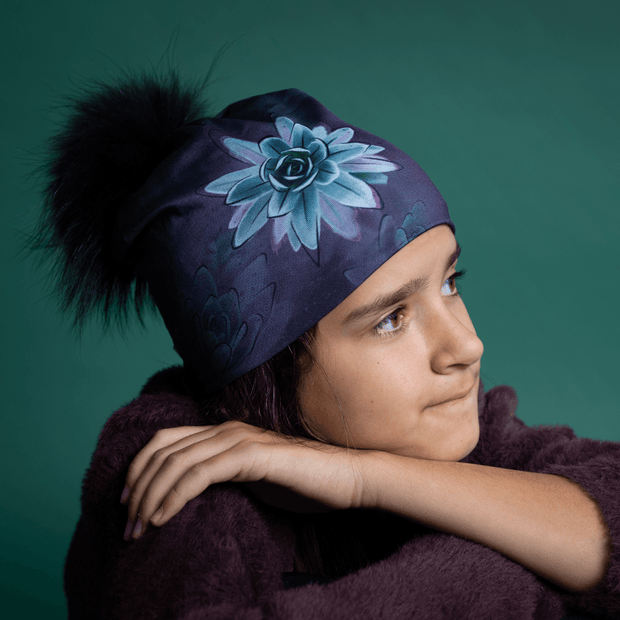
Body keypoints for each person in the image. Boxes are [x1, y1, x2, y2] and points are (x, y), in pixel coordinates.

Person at [33, 69, 620, 620]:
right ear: (266, 372)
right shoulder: (178, 474)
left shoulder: (454, 426)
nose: (466, 346)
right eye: (390, 319)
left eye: (449, 283)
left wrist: (363, 477)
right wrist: (515, 566)